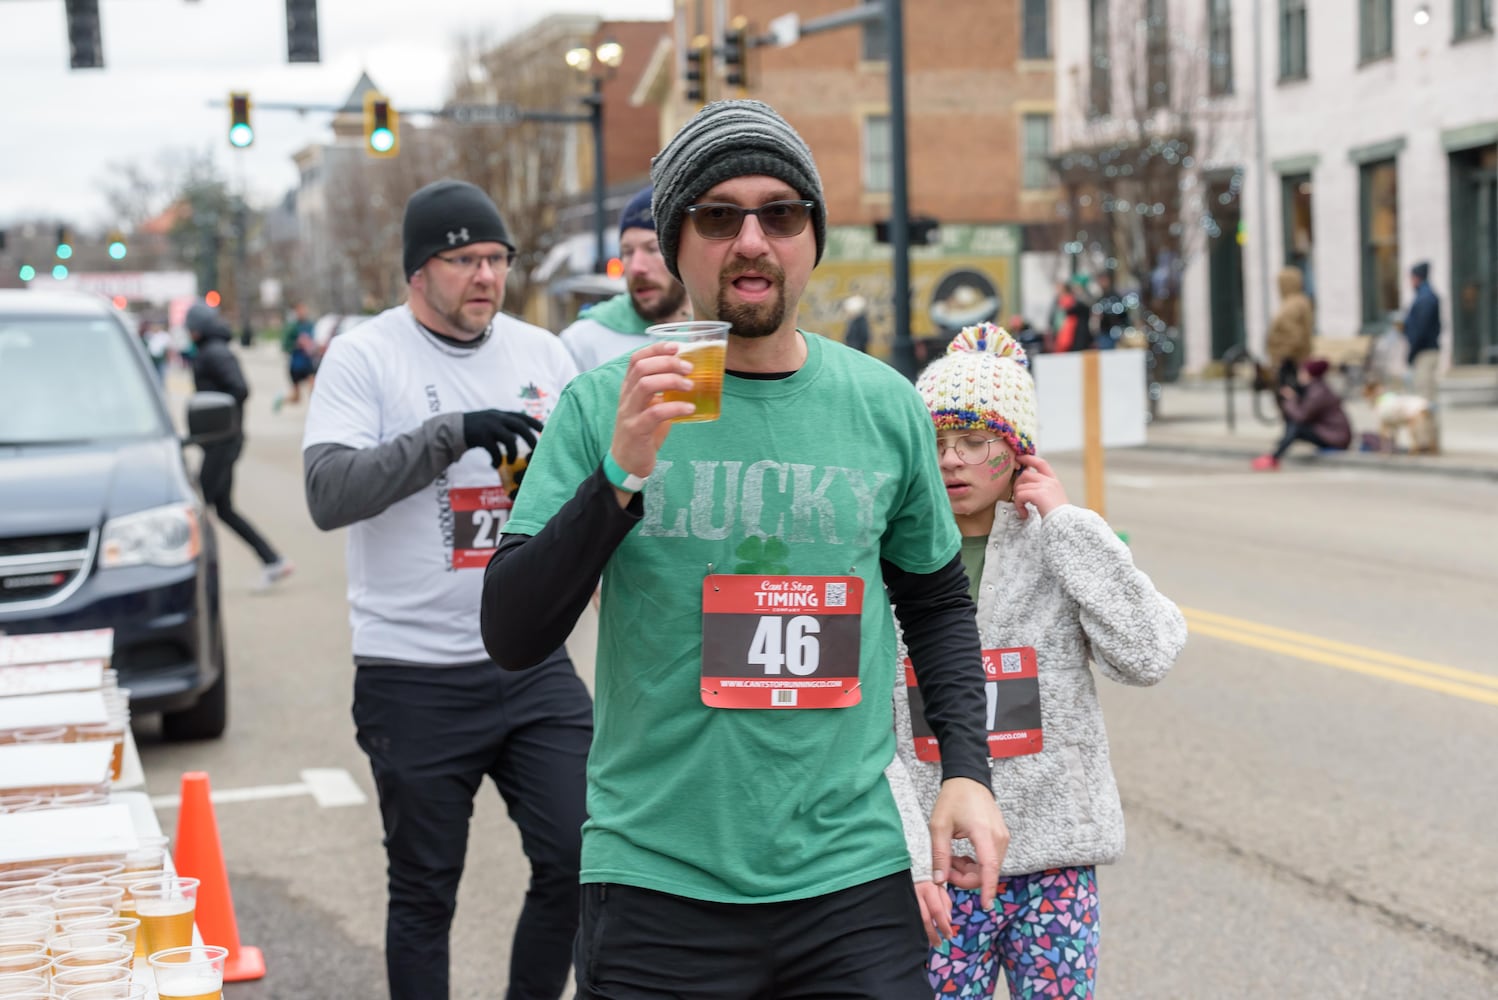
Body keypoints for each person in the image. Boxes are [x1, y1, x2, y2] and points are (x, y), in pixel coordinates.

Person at [481, 99, 1008, 999]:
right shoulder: (601, 406)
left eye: (782, 214)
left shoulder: (882, 407)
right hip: (657, 881)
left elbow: (935, 602)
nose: (753, 240)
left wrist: (966, 769)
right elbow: (514, 631)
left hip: (850, 874)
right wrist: (619, 476)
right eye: (719, 217)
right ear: (676, 242)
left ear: (812, 238)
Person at [301, 179, 591, 1000]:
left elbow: (590, 488)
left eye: (497, 259)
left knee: (580, 860)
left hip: (533, 669)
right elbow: (328, 493)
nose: (486, 277)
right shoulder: (367, 356)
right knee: (427, 891)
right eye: (464, 259)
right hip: (414, 674)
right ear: (418, 270)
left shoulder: (542, 353)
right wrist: (448, 436)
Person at [888, 323, 1186, 998]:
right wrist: (910, 854)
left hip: (1054, 862)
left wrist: (1069, 524)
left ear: (1017, 451)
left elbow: (1150, 651)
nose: (952, 461)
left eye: (974, 441)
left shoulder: (1059, 544)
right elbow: (872, 729)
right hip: (942, 868)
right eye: (935, 442)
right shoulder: (891, 549)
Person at [185, 302, 293, 590]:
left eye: (191, 328)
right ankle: (272, 559)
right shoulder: (211, 351)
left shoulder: (214, 353)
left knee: (197, 506)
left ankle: (192, 575)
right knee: (222, 508)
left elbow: (240, 388)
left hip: (223, 440)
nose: (189, 333)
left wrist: (218, 415)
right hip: (220, 439)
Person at [560, 186, 690, 371]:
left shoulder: (718, 334)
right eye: (627, 252)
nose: (637, 267)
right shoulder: (582, 342)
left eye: (652, 248)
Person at [1252, 358, 1352, 470]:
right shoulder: (1316, 388)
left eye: (1302, 372)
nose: (1299, 375)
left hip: (1337, 438)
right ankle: (1276, 453)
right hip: (1332, 434)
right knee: (1295, 426)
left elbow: (1301, 416)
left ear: (1309, 374)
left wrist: (1291, 399)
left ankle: (1274, 458)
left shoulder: (1318, 392)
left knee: (1296, 427)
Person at [1404, 261, 1441, 450]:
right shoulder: (1424, 296)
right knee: (1424, 398)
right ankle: (1426, 440)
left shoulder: (1426, 298)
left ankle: (1428, 441)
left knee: (1425, 400)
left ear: (1417, 277)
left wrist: (1411, 354)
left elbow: (1421, 330)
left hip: (1424, 351)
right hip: (1424, 351)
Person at [1266, 266, 1314, 399]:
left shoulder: (1293, 305)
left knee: (1289, 397)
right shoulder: (1299, 302)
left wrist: (1281, 354)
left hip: (1290, 361)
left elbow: (1294, 335)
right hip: (1292, 358)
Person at [277, 302, 319, 408]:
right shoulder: (292, 327)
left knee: (314, 389)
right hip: (296, 365)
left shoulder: (310, 325)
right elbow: (284, 346)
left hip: (308, 364)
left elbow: (314, 343)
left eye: (304, 310)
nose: (303, 312)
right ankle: (281, 400)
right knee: (296, 398)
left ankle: (316, 410)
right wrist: (297, 344)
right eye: (300, 310)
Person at [1090, 272, 1127, 350]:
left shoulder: (1116, 296)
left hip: (1117, 331)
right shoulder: (1099, 299)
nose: (1102, 283)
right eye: (1100, 281)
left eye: (1104, 280)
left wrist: (1123, 327)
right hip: (1104, 332)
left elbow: (1123, 314)